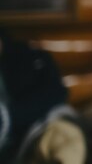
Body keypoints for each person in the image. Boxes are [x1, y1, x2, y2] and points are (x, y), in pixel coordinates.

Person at [0, 30, 86, 164]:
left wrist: (10, 116)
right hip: (12, 148)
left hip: (38, 127)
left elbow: (57, 92)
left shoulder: (29, 57)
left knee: (65, 137)